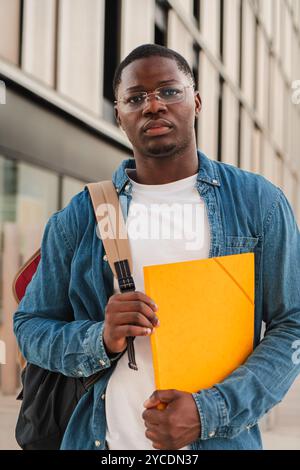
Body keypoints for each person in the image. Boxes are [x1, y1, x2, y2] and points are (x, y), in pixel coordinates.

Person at [14, 44, 300, 451]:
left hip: (220, 441)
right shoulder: (82, 216)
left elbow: (292, 323)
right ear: (119, 115)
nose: (153, 106)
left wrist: (209, 411)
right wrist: (100, 338)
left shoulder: (258, 204)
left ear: (196, 101)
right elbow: (30, 327)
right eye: (135, 98)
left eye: (169, 91)